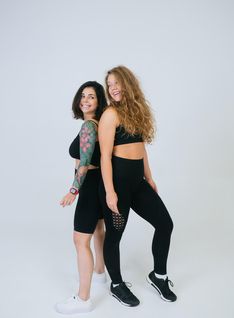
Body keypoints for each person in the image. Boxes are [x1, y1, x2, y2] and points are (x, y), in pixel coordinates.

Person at [98, 66, 177, 307]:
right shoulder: (110, 114)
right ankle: (117, 284)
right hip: (117, 187)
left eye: (116, 82)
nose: (112, 87)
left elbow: (141, 150)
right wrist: (110, 191)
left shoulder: (137, 112)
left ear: (127, 83)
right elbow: (104, 157)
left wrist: (149, 177)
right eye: (109, 84)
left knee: (165, 224)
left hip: (137, 184)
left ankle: (159, 276)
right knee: (115, 235)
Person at [55, 81, 107, 315]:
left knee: (80, 240)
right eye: (83, 96)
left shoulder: (89, 126)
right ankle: (100, 274)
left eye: (92, 97)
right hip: (100, 185)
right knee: (97, 230)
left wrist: (73, 191)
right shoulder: (97, 124)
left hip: (90, 185)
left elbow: (84, 164)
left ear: (99, 102)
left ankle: (83, 298)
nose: (85, 100)